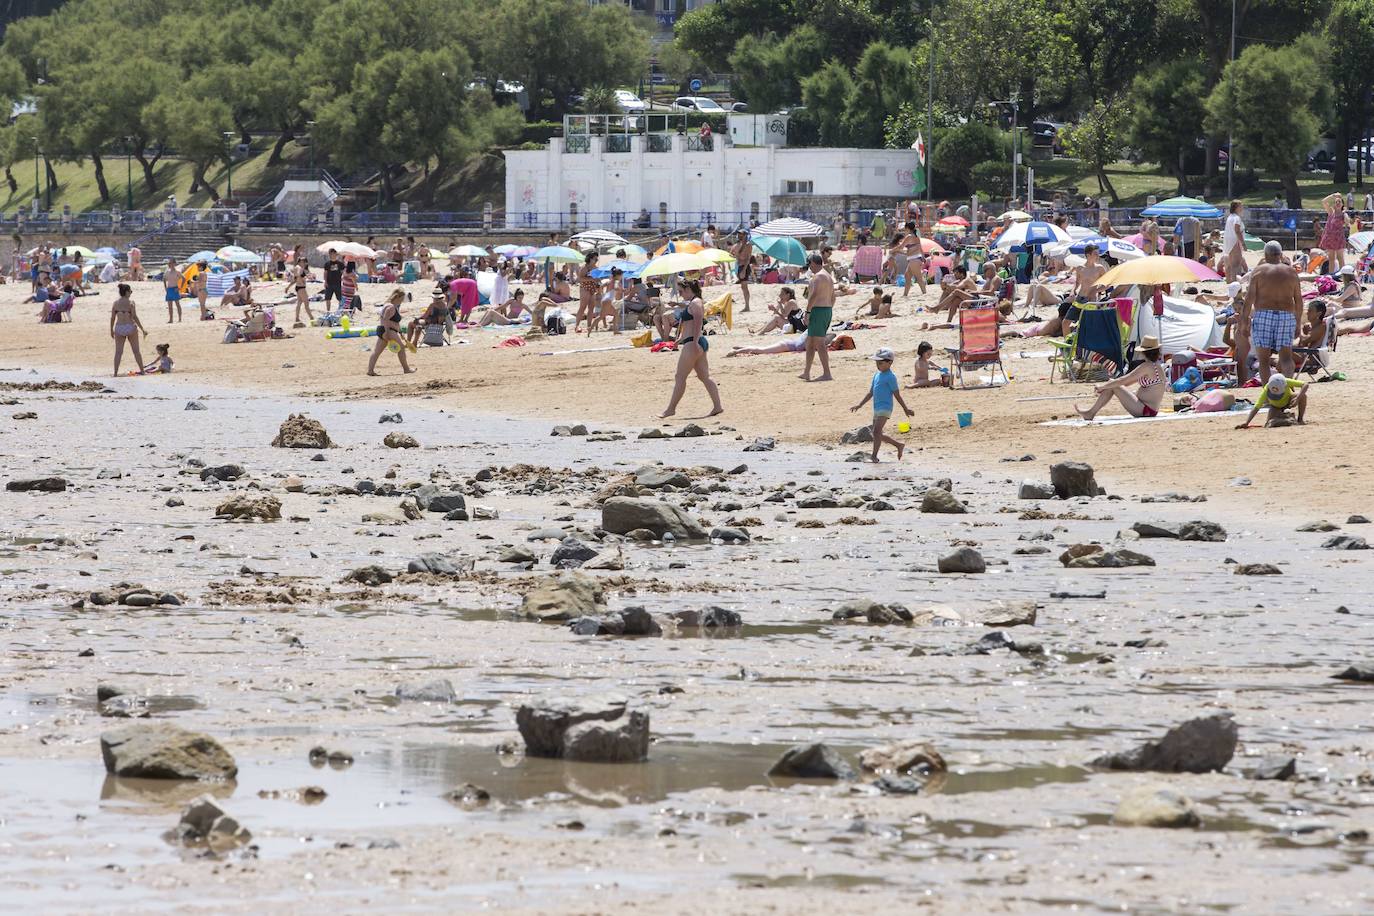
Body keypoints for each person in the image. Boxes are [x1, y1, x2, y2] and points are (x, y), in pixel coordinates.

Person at [660, 278, 723, 418]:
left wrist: (694, 343)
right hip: (694, 341)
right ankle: (718, 406)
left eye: (681, 291)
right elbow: (689, 318)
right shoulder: (694, 302)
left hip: (693, 343)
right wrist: (679, 339)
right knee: (704, 376)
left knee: (680, 376)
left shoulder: (696, 303)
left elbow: (699, 321)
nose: (681, 294)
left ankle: (671, 409)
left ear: (688, 289)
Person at [1246, 240, 1303, 384]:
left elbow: (1249, 299)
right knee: (1286, 357)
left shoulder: (1258, 271)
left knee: (1263, 360)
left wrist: (1243, 321)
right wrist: (1298, 323)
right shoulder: (1291, 272)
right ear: (1281, 254)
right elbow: (1298, 300)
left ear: (1265, 255)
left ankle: (1269, 395)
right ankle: (1288, 389)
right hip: (1286, 316)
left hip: (1264, 314)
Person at [1075, 335, 1167, 420]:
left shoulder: (1147, 366)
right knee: (1113, 384)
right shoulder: (1156, 366)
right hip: (1146, 408)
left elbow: (1122, 380)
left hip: (1145, 410)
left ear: (1143, 352)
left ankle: (1091, 413)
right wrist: (1108, 386)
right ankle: (1091, 412)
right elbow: (1126, 382)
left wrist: (1103, 387)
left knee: (1113, 384)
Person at [850, 347, 913, 462]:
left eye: (880, 363)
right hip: (877, 408)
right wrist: (859, 405)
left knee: (876, 432)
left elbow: (897, 394)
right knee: (876, 433)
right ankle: (898, 445)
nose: (878, 365)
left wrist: (906, 409)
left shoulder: (891, 376)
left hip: (886, 407)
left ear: (890, 362)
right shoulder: (877, 375)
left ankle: (874, 456)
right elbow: (871, 393)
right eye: (876, 363)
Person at [800, 253, 834, 382]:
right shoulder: (828, 276)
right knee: (810, 342)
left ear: (813, 263)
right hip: (826, 310)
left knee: (819, 343)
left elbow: (813, 296)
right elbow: (833, 297)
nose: (809, 267)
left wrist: (807, 313)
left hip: (818, 311)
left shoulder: (817, 277)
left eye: (809, 264)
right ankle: (806, 372)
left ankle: (827, 373)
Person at [368, 290, 415, 376]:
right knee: (401, 348)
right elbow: (385, 320)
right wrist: (386, 332)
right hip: (389, 331)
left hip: (384, 330)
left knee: (377, 351)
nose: (402, 301)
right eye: (401, 299)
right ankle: (406, 369)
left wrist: (399, 332)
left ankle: (370, 370)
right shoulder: (391, 307)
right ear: (397, 297)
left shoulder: (387, 305)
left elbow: (389, 320)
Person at [1237, 372, 1308, 428]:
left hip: (1288, 401)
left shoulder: (1286, 381)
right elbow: (1257, 406)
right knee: (1269, 424)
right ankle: (1286, 415)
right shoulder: (1267, 388)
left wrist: (1297, 399)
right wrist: (1247, 422)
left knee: (1303, 396)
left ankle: (1300, 419)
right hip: (1275, 406)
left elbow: (1305, 384)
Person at [109, 283, 147, 376]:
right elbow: (134, 316)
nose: (131, 293)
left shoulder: (115, 303)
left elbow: (112, 318)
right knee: (136, 351)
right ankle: (142, 371)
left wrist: (111, 330)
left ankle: (115, 373)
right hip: (130, 327)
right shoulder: (131, 303)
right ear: (126, 292)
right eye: (130, 291)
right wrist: (142, 329)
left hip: (119, 328)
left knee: (118, 352)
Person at [1319, 192, 1348, 274]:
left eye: (1340, 202)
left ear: (1342, 204)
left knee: (1340, 258)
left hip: (1339, 238)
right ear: (1334, 204)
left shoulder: (1343, 214)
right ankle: (1331, 276)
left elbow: (1347, 222)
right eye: (1336, 202)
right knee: (1331, 258)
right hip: (1330, 238)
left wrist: (1345, 213)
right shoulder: (1331, 212)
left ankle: (1344, 275)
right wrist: (1333, 196)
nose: (1338, 203)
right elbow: (1324, 201)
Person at [1223, 199, 1246, 282]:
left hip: (1228, 241)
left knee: (1230, 263)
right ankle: (1235, 282)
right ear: (1236, 207)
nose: (1242, 208)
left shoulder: (1230, 217)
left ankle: (1229, 280)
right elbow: (1237, 230)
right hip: (1235, 241)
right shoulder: (1236, 218)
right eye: (1241, 206)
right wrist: (1243, 243)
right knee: (1236, 263)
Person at [732, 231, 753, 312]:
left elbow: (748, 258)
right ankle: (746, 306)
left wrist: (744, 270)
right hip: (738, 267)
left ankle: (747, 306)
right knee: (743, 287)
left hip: (745, 266)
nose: (739, 235)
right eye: (739, 234)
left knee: (744, 287)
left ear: (745, 235)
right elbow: (733, 254)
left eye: (741, 234)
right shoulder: (736, 245)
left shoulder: (748, 245)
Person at [289, 257, 313, 326]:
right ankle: (311, 317)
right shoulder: (299, 268)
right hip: (301, 287)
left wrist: (288, 287)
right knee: (306, 303)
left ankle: (297, 318)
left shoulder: (297, 268)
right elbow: (299, 275)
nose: (304, 263)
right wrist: (303, 277)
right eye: (303, 262)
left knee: (299, 303)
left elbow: (295, 279)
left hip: (298, 287)